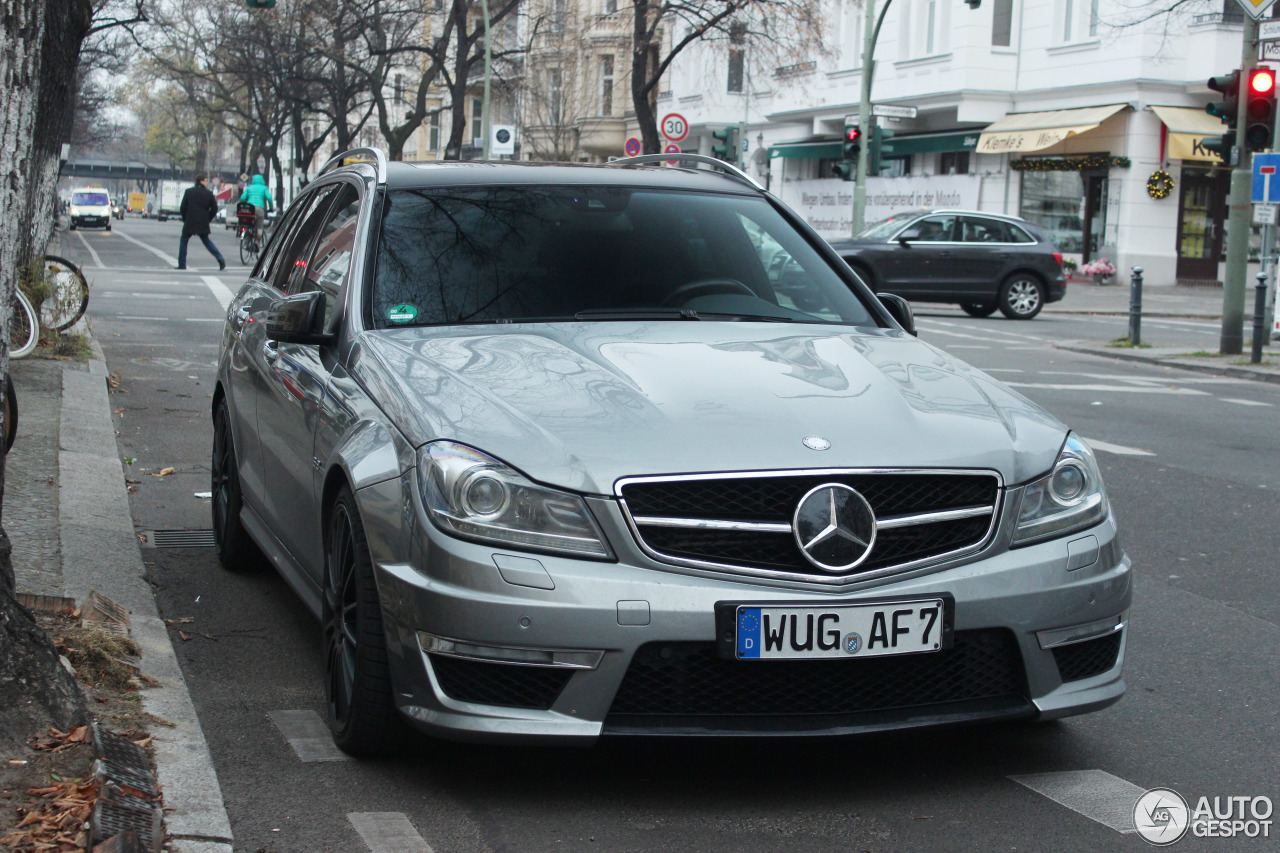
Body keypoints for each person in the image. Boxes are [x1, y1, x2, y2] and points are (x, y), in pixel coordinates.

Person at [177, 174, 225, 271]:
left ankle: (182, 264)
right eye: (206, 181)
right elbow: (214, 208)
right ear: (201, 181)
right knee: (206, 241)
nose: (207, 183)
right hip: (203, 221)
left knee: (184, 240)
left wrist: (185, 218)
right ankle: (220, 259)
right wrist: (208, 218)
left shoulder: (189, 192)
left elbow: (183, 207)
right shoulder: (208, 193)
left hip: (190, 220)